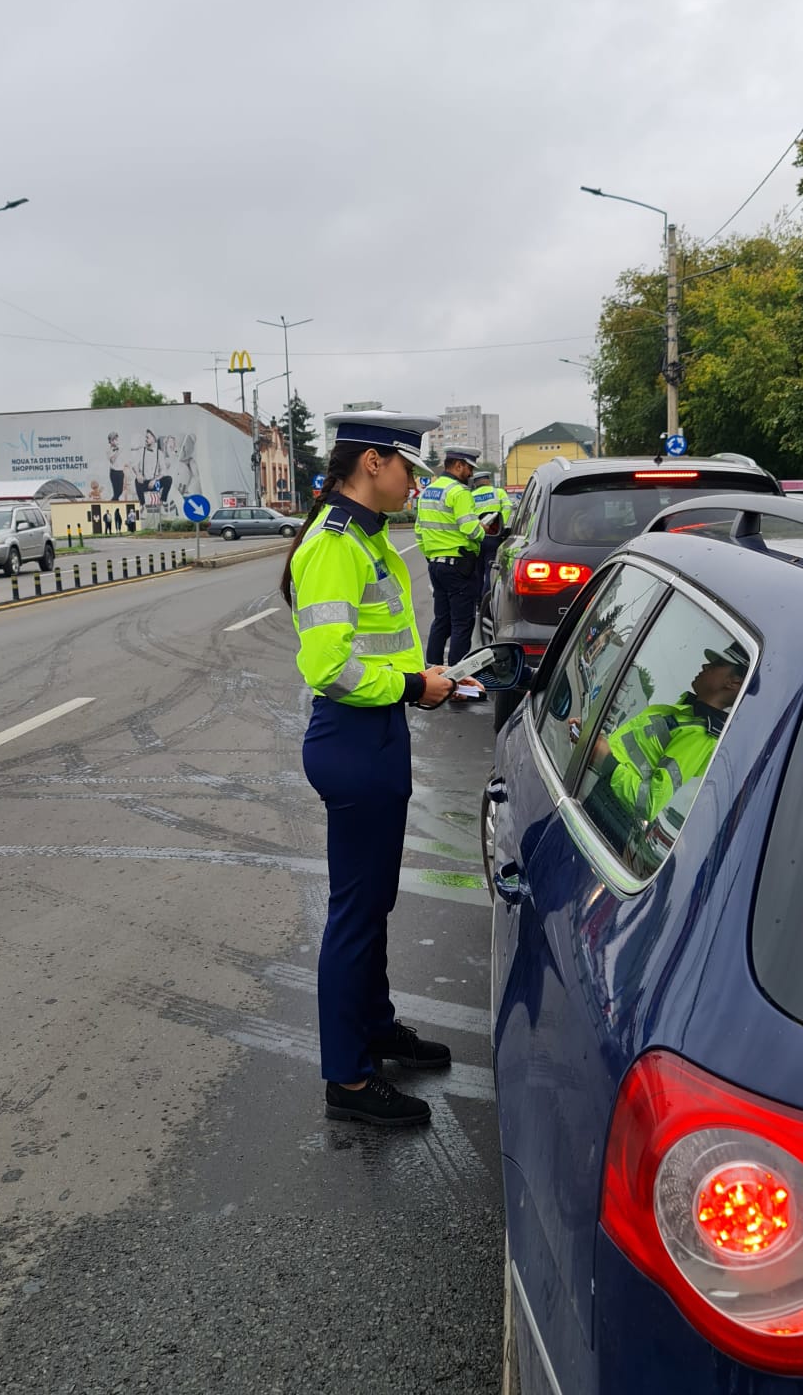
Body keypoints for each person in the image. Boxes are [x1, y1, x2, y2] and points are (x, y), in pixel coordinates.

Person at [281, 409, 468, 1128]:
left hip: (378, 731)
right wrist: (414, 686)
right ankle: (349, 1080)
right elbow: (331, 667)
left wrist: (421, 681)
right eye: (407, 469)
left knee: (374, 901)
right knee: (355, 913)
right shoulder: (335, 545)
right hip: (354, 737)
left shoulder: (368, 536)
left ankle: (376, 1027)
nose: (414, 484)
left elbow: (377, 643)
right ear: (371, 463)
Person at [582, 643, 749, 825]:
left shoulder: (700, 736)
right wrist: (594, 740)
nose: (705, 666)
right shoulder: (684, 715)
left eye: (716, 664)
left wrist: (606, 760)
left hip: (609, 814)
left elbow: (649, 803)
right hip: (599, 794)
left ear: (734, 683)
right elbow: (631, 751)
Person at [415, 445, 485, 667]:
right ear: (458, 465)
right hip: (459, 566)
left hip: (436, 566)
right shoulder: (459, 492)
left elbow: (419, 531)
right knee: (462, 623)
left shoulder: (428, 492)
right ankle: (457, 675)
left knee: (442, 621)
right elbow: (469, 528)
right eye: (469, 468)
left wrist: (432, 555)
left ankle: (432, 668)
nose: (471, 474)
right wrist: (483, 530)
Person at [468, 469, 510, 606]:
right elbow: (508, 508)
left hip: (476, 539)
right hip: (493, 537)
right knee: (490, 571)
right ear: (488, 481)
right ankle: (486, 601)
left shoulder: (470, 496)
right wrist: (500, 526)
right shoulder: (498, 492)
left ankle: (478, 602)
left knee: (477, 573)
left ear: (475, 483)